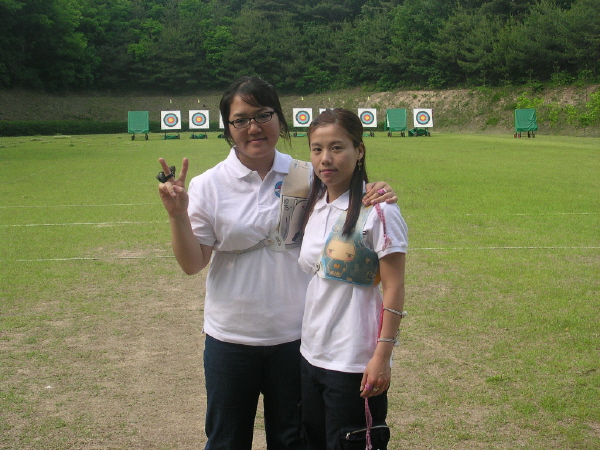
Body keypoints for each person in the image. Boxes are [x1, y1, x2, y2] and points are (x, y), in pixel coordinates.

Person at [157, 76, 397, 450]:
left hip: (295, 338)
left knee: (291, 440)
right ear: (227, 128)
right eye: (240, 119)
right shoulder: (208, 184)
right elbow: (192, 263)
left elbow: (348, 194)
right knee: (226, 439)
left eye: (263, 115)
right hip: (230, 337)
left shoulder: (307, 173)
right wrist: (177, 215)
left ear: (279, 119)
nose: (253, 127)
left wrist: (376, 190)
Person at [298, 108, 408, 450]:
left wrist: (382, 356)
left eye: (337, 147)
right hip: (310, 355)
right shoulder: (313, 204)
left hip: (354, 361)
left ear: (359, 150)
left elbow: (394, 286)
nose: (325, 159)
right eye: (317, 149)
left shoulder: (379, 209)